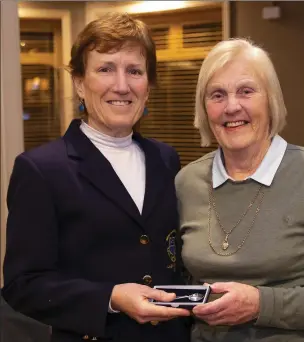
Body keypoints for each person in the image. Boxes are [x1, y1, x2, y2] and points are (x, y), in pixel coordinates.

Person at [2, 13, 191, 342]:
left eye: (134, 71)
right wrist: (110, 298)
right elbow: (23, 285)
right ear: (79, 82)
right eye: (106, 69)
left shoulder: (166, 158)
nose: (122, 85)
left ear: (148, 85)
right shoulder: (41, 169)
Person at [175, 38, 304, 342]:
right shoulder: (186, 182)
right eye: (217, 95)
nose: (232, 106)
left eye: (246, 91)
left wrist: (261, 305)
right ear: (204, 108)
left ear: (270, 100)